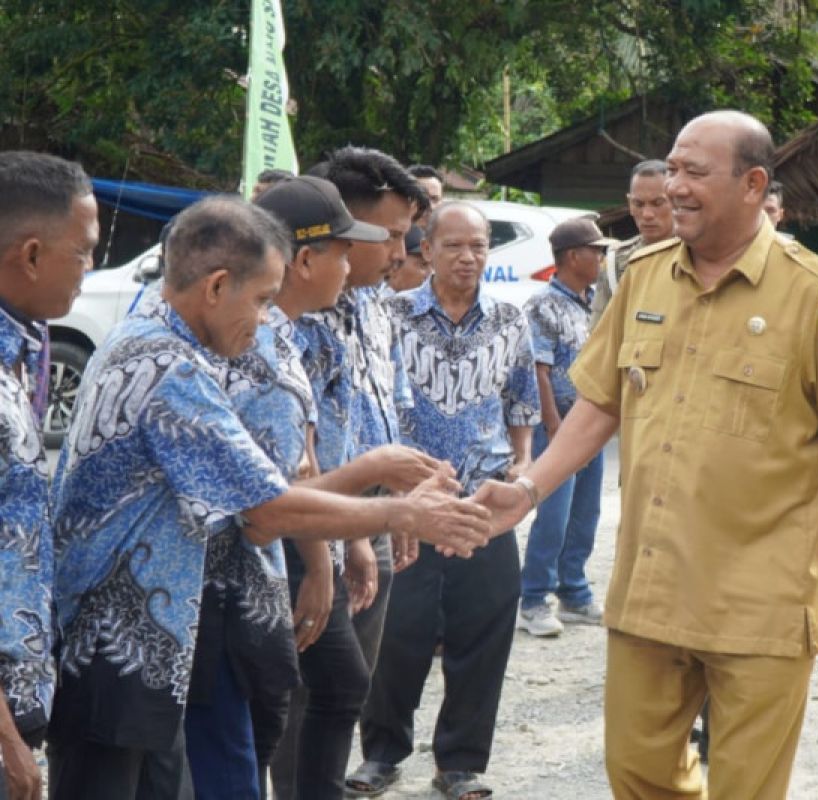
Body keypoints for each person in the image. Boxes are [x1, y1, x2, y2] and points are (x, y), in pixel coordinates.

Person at [474, 110, 818, 799]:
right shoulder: (642, 276)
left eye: (693, 172)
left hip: (759, 606)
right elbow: (599, 405)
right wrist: (526, 491)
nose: (672, 186)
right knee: (637, 776)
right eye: (670, 169)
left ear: (753, 184)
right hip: (652, 591)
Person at [46, 197, 489, 800]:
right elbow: (268, 508)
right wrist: (400, 509)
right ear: (216, 286)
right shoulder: (167, 369)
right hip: (115, 649)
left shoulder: (148, 334)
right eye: (259, 301)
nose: (263, 323)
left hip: (137, 645)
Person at [347, 202, 539, 800]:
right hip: (408, 506)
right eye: (454, 245)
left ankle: (459, 763)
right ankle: (381, 752)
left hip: (483, 502)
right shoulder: (389, 315)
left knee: (483, 635)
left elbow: (521, 404)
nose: (468, 257)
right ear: (426, 250)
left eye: (479, 246)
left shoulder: (510, 320)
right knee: (397, 634)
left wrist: (524, 463)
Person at [271, 148, 429, 800]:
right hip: (311, 527)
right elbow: (301, 454)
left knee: (347, 688)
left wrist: (393, 507)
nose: (401, 250)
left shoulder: (371, 304)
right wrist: (351, 536)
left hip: (366, 523)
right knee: (308, 693)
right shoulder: (294, 319)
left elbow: (375, 412)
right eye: (389, 235)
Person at [0, 152, 98, 800]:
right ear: (31, 255)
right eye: (83, 252)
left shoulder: (23, 351)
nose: (89, 272)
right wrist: (8, 741)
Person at [517, 217, 615, 637]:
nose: (603, 259)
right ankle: (534, 598)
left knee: (585, 512)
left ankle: (573, 591)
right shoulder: (542, 306)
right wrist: (554, 424)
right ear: (573, 257)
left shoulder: (593, 301)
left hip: (588, 422)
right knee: (553, 514)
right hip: (557, 424)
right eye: (597, 251)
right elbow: (538, 370)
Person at [591, 159, 674, 326]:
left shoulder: (700, 256)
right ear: (629, 203)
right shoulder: (616, 262)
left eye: (658, 203)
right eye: (639, 204)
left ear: (676, 200)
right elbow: (598, 335)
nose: (647, 214)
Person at [385, 226, 431, 294]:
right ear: (394, 268)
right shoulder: (368, 300)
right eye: (423, 265)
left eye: (432, 266)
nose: (430, 274)